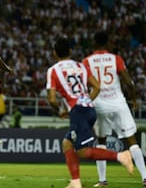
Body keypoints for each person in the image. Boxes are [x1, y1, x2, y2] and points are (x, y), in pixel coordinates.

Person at [46, 37, 134, 188]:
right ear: (71, 51)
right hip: (89, 109)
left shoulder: (53, 70)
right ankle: (75, 181)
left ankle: (121, 156)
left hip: (78, 111)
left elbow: (52, 99)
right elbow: (97, 87)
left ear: (54, 53)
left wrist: (60, 110)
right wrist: (86, 100)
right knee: (67, 143)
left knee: (82, 151)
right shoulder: (80, 66)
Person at [82, 31, 146, 188]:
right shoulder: (116, 59)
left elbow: (84, 85)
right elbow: (129, 82)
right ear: (108, 43)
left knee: (101, 141)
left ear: (94, 43)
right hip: (119, 104)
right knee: (132, 141)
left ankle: (102, 181)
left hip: (99, 106)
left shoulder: (87, 61)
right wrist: (134, 99)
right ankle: (145, 179)